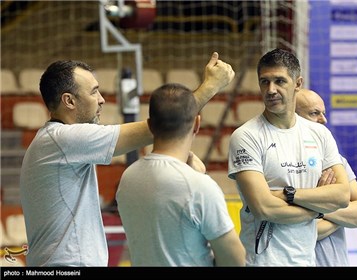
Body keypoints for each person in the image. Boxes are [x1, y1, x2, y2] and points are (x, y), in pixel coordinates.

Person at [19, 52, 235, 267]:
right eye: (94, 92)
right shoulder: (62, 139)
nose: (102, 99)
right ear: (69, 101)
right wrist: (211, 86)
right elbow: (162, 124)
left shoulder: (56, 141)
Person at [227, 48, 350, 266]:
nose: (271, 90)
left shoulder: (319, 134)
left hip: (307, 260)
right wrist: (319, 207)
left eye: (279, 81)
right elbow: (264, 208)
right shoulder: (246, 136)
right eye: (264, 82)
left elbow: (341, 196)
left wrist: (288, 194)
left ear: (298, 83)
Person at [116, 83, 246, 267]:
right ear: (197, 124)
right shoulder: (199, 187)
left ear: (150, 125)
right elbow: (235, 261)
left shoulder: (127, 178)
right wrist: (200, 178)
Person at [296, 88, 357, 266]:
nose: (324, 120)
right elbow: (299, 234)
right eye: (314, 113)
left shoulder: (334, 160)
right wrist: (337, 208)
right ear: (293, 117)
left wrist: (319, 207)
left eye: (323, 113)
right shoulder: (278, 163)